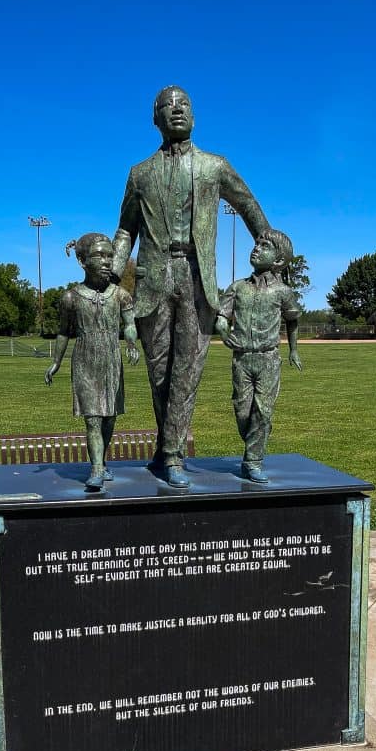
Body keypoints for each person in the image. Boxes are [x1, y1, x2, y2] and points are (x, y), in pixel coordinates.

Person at [112, 85, 270, 487]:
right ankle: (166, 449)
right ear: (155, 118)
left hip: (198, 277)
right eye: (168, 106)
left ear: (194, 116)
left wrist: (269, 243)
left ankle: (173, 454)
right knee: (159, 373)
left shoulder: (214, 166)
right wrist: (112, 274)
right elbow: (125, 230)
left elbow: (248, 206)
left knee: (188, 370)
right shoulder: (139, 173)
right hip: (153, 278)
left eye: (184, 105)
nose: (176, 111)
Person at [45, 233, 140, 490]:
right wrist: (56, 362)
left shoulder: (121, 295)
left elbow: (130, 324)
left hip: (111, 360)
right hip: (85, 360)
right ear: (82, 260)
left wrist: (131, 341)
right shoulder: (71, 298)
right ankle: (96, 468)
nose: (107, 261)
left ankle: (102, 461)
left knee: (109, 417)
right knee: (93, 419)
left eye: (110, 255)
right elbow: (64, 332)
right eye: (99, 255)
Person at [216, 229, 302, 483]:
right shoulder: (237, 288)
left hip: (268, 359)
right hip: (242, 359)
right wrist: (222, 330)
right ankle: (260, 435)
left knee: (263, 411)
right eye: (257, 243)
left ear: (278, 261)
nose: (257, 248)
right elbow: (222, 316)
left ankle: (253, 460)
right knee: (243, 412)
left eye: (265, 246)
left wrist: (293, 350)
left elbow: (293, 320)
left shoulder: (283, 292)